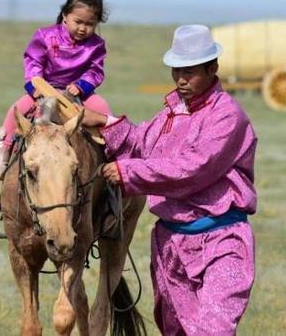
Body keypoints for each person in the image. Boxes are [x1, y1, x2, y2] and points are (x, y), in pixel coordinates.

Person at [82, 25, 258, 335]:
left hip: (221, 242)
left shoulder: (228, 117)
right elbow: (141, 143)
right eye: (177, 70)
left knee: (212, 330)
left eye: (190, 71)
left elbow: (194, 168)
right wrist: (106, 123)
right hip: (170, 245)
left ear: (212, 68)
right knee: (175, 330)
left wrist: (128, 173)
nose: (181, 79)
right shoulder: (171, 113)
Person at [0, 0, 112, 180]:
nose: (82, 28)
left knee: (103, 110)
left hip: (79, 93)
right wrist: (36, 87)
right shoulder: (45, 36)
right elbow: (33, 61)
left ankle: (112, 160)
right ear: (65, 15)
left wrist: (81, 85)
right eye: (78, 21)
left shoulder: (96, 45)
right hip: (44, 89)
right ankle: (3, 158)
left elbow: (95, 70)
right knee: (16, 112)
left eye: (90, 24)